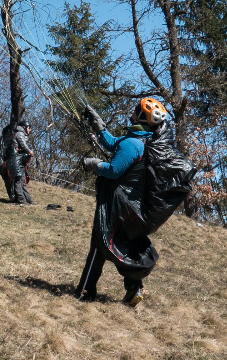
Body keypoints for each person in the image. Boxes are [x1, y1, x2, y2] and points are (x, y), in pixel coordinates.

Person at [76, 96, 168, 307]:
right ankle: (134, 290)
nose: (132, 112)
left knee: (100, 244)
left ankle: (85, 292)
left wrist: (94, 164)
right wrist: (98, 124)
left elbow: (114, 170)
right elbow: (112, 144)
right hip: (131, 208)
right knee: (126, 245)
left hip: (118, 206)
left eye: (136, 110)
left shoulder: (134, 144)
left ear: (142, 116)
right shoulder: (138, 139)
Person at [0, 120, 34, 204]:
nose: (30, 130)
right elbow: (23, 144)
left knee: (22, 181)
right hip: (15, 161)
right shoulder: (19, 134)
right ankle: (21, 200)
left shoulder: (21, 134)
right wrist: (29, 151)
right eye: (29, 128)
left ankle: (28, 200)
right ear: (25, 127)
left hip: (19, 161)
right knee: (18, 181)